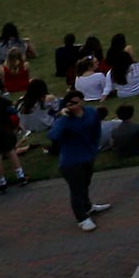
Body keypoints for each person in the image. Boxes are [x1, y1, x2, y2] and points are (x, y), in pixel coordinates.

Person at [48, 93, 107, 230]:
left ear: (82, 101)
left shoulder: (91, 112)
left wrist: (94, 148)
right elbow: (53, 135)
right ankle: (81, 218)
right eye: (69, 103)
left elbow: (96, 129)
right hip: (71, 161)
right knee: (76, 190)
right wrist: (62, 118)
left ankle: (88, 206)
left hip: (88, 156)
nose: (73, 106)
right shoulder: (65, 119)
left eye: (75, 102)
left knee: (86, 183)